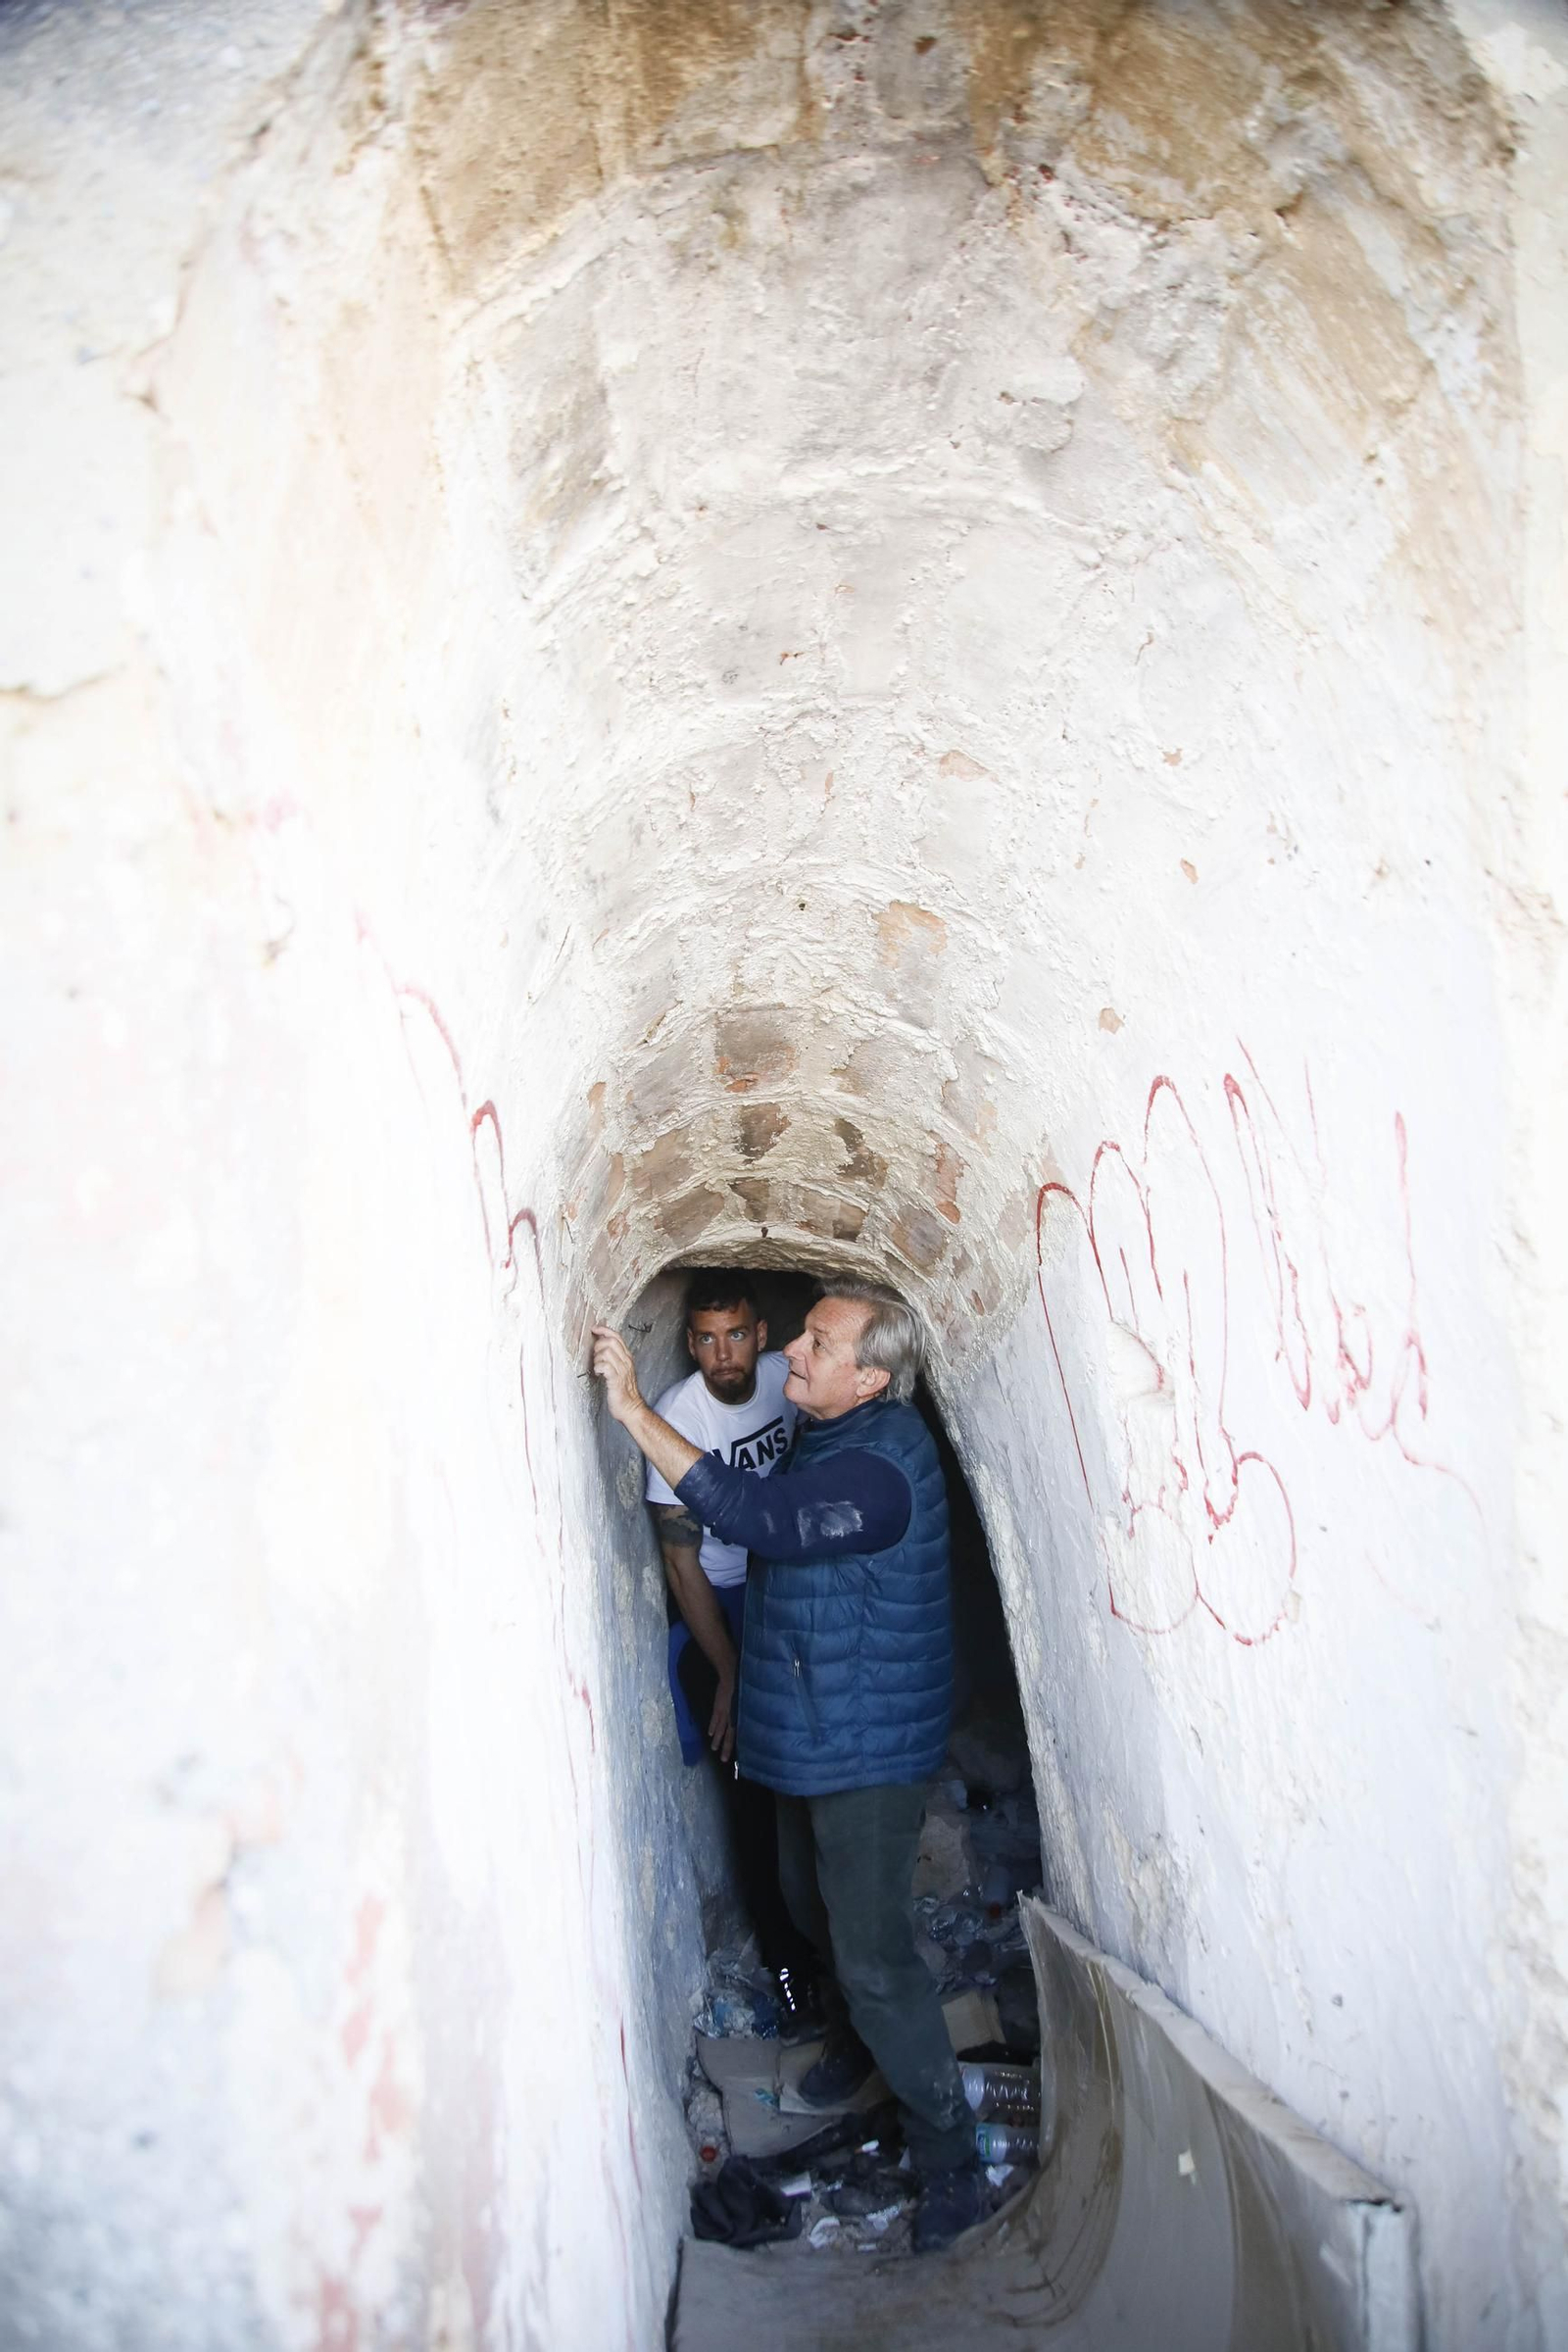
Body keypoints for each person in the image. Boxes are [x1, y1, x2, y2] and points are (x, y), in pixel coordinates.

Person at [592, 1277, 982, 2254]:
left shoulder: (881, 1469)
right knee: (808, 1908)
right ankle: (857, 2045)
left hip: (867, 1745)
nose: (792, 1357)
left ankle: (954, 2162)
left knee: (876, 1957)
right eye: (801, 1335)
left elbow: (764, 1524)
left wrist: (634, 1411)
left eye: (816, 1343)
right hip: (813, 1727)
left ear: (870, 1377)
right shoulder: (833, 1430)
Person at [643, 1270, 825, 2041]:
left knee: (821, 1758)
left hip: (794, 1583)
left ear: (759, 1333)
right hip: (725, 1601)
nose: (724, 1355)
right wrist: (728, 1672)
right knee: (747, 1777)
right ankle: (787, 1957)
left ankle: (837, 1926)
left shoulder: (789, 1379)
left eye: (737, 1335)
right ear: (690, 1343)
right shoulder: (677, 1419)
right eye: (707, 1339)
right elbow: (683, 1565)